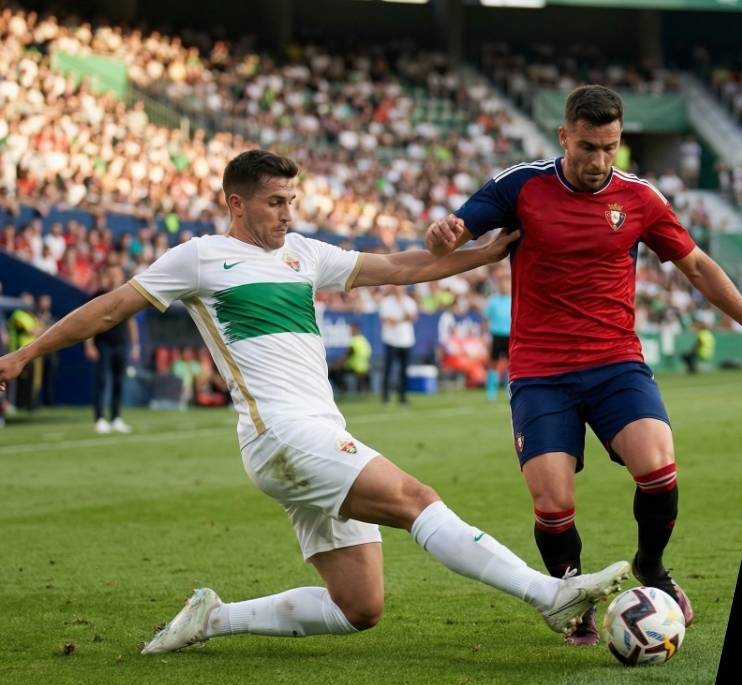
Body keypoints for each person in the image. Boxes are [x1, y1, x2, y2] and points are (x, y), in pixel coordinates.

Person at [0, 149, 628, 655]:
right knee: (417, 500)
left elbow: (398, 268)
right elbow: (109, 309)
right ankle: (549, 595)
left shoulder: (305, 254)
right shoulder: (200, 258)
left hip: (316, 433)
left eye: (292, 201)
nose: (287, 214)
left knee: (359, 607)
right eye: (275, 202)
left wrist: (483, 255)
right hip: (281, 434)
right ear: (236, 203)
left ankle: (213, 619)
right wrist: (24, 355)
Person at [424, 86, 742, 645]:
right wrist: (442, 234)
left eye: (610, 147)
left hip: (615, 362)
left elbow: (697, 267)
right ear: (564, 136)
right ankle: (572, 592)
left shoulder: (639, 198)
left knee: (658, 466)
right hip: (541, 372)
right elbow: (451, 236)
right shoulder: (521, 186)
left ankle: (651, 565)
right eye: (588, 147)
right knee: (553, 503)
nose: (598, 161)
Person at [86, 266, 140, 433]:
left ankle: (116, 418)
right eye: (111, 274)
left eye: (116, 274)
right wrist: (89, 345)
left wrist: (135, 345)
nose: (113, 277)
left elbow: (131, 322)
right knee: (101, 381)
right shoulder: (98, 295)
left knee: (119, 382)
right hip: (103, 343)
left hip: (121, 344)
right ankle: (99, 418)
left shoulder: (126, 295)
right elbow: (88, 320)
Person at [379, 284, 417, 405]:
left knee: (404, 371)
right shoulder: (386, 302)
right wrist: (402, 319)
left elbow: (411, 317)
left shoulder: (409, 302)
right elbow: (388, 320)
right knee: (388, 370)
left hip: (406, 340)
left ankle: (402, 396)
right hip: (391, 340)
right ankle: (385, 397)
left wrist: (401, 307)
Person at [483, 274, 512, 403]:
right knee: (493, 364)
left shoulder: (513, 299)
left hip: (510, 335)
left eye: (506, 283)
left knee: (511, 365)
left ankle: (510, 390)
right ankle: (491, 393)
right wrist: (485, 336)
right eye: (502, 283)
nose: (504, 286)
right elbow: (486, 319)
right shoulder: (493, 300)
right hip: (496, 335)